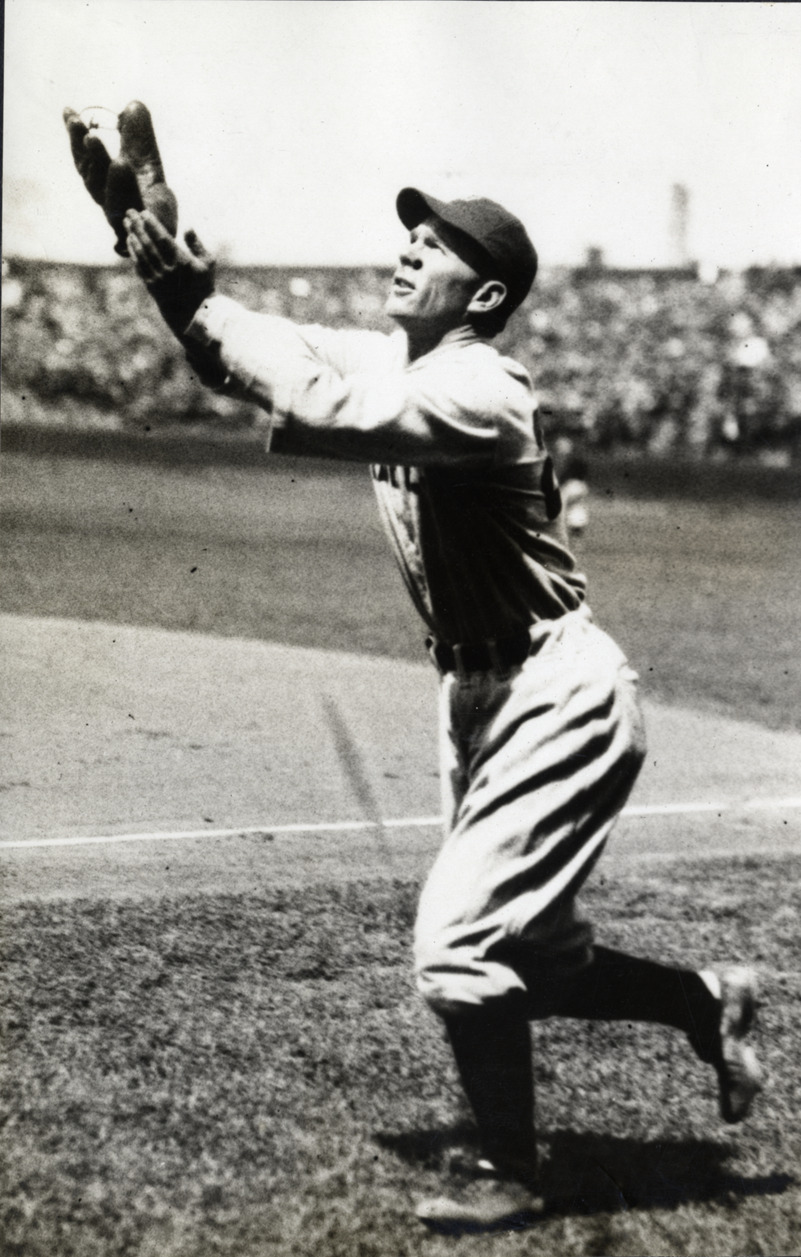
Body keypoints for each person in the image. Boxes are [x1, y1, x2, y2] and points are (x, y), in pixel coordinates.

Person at [122, 192, 762, 1234]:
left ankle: (510, 1168)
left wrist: (198, 303)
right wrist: (173, 287)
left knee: (459, 944)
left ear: (488, 295)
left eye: (440, 244)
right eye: (412, 235)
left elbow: (321, 402)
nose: (411, 248)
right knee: (537, 959)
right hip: (475, 693)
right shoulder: (400, 360)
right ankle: (705, 1000)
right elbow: (241, 358)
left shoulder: (479, 388)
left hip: (557, 688)